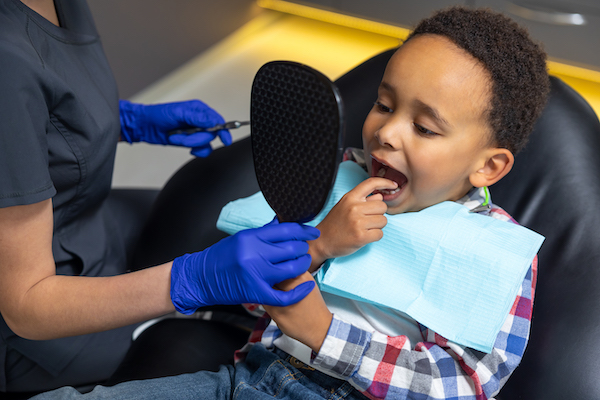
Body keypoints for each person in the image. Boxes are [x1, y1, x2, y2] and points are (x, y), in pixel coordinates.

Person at [32, 6, 550, 400]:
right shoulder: (335, 177)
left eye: (424, 127)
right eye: (384, 104)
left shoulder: (496, 256)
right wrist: (319, 247)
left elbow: (463, 385)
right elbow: (254, 298)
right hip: (246, 381)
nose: (385, 132)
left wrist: (324, 333)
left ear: (488, 167)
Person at [0, 0, 319, 394]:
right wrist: (191, 280)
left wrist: (125, 121)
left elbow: (33, 115)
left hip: (90, 219)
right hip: (37, 317)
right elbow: (26, 306)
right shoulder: (6, 57)